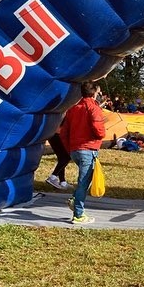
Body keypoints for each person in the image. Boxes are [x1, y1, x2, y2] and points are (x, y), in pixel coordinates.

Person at [59, 81, 106, 224]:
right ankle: (78, 214)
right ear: (95, 93)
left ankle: (75, 200)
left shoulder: (73, 109)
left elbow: (63, 132)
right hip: (88, 149)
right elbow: (99, 131)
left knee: (83, 181)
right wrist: (101, 135)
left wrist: (70, 148)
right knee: (84, 182)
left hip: (75, 150)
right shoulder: (94, 108)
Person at [45, 113, 73, 191]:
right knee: (66, 156)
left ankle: (62, 182)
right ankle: (53, 177)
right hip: (58, 134)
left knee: (62, 157)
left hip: (52, 134)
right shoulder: (67, 109)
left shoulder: (61, 108)